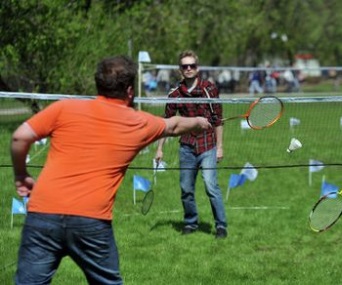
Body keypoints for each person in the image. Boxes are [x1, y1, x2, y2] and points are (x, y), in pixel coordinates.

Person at [10, 55, 212, 284]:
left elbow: (19, 137)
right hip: (91, 221)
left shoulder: (63, 107)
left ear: (98, 84)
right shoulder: (138, 122)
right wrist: (198, 122)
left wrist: (20, 174)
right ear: (129, 91)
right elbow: (174, 125)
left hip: (42, 213)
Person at [155, 50, 228, 239]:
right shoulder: (175, 93)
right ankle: (190, 223)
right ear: (180, 69)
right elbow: (167, 122)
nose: (188, 69)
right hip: (186, 147)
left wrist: (220, 147)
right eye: (185, 66)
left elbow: (218, 120)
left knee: (211, 187)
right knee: (186, 188)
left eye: (192, 66)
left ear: (198, 68)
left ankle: (221, 226)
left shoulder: (209, 89)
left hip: (208, 145)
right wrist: (159, 148)